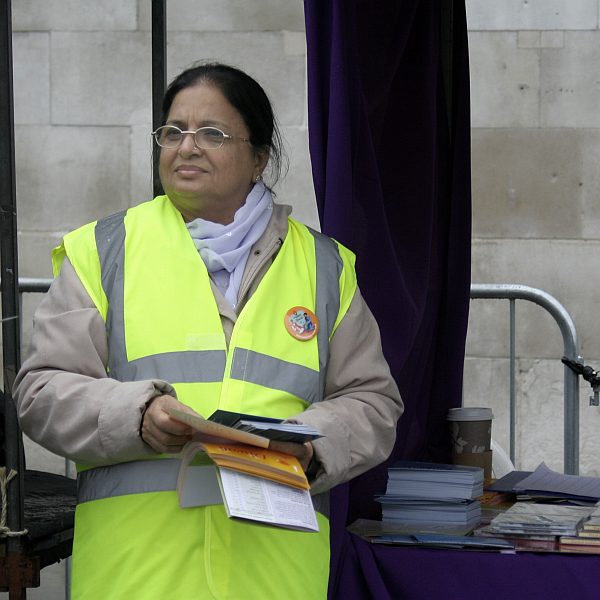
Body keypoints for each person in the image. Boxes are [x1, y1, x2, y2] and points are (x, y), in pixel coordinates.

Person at [14, 62, 403, 600]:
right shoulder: (103, 251)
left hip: (273, 577)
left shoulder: (324, 266)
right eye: (173, 132)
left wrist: (312, 445)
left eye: (212, 134)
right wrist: (139, 415)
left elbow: (373, 403)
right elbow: (41, 390)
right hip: (136, 577)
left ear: (259, 156)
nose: (187, 147)